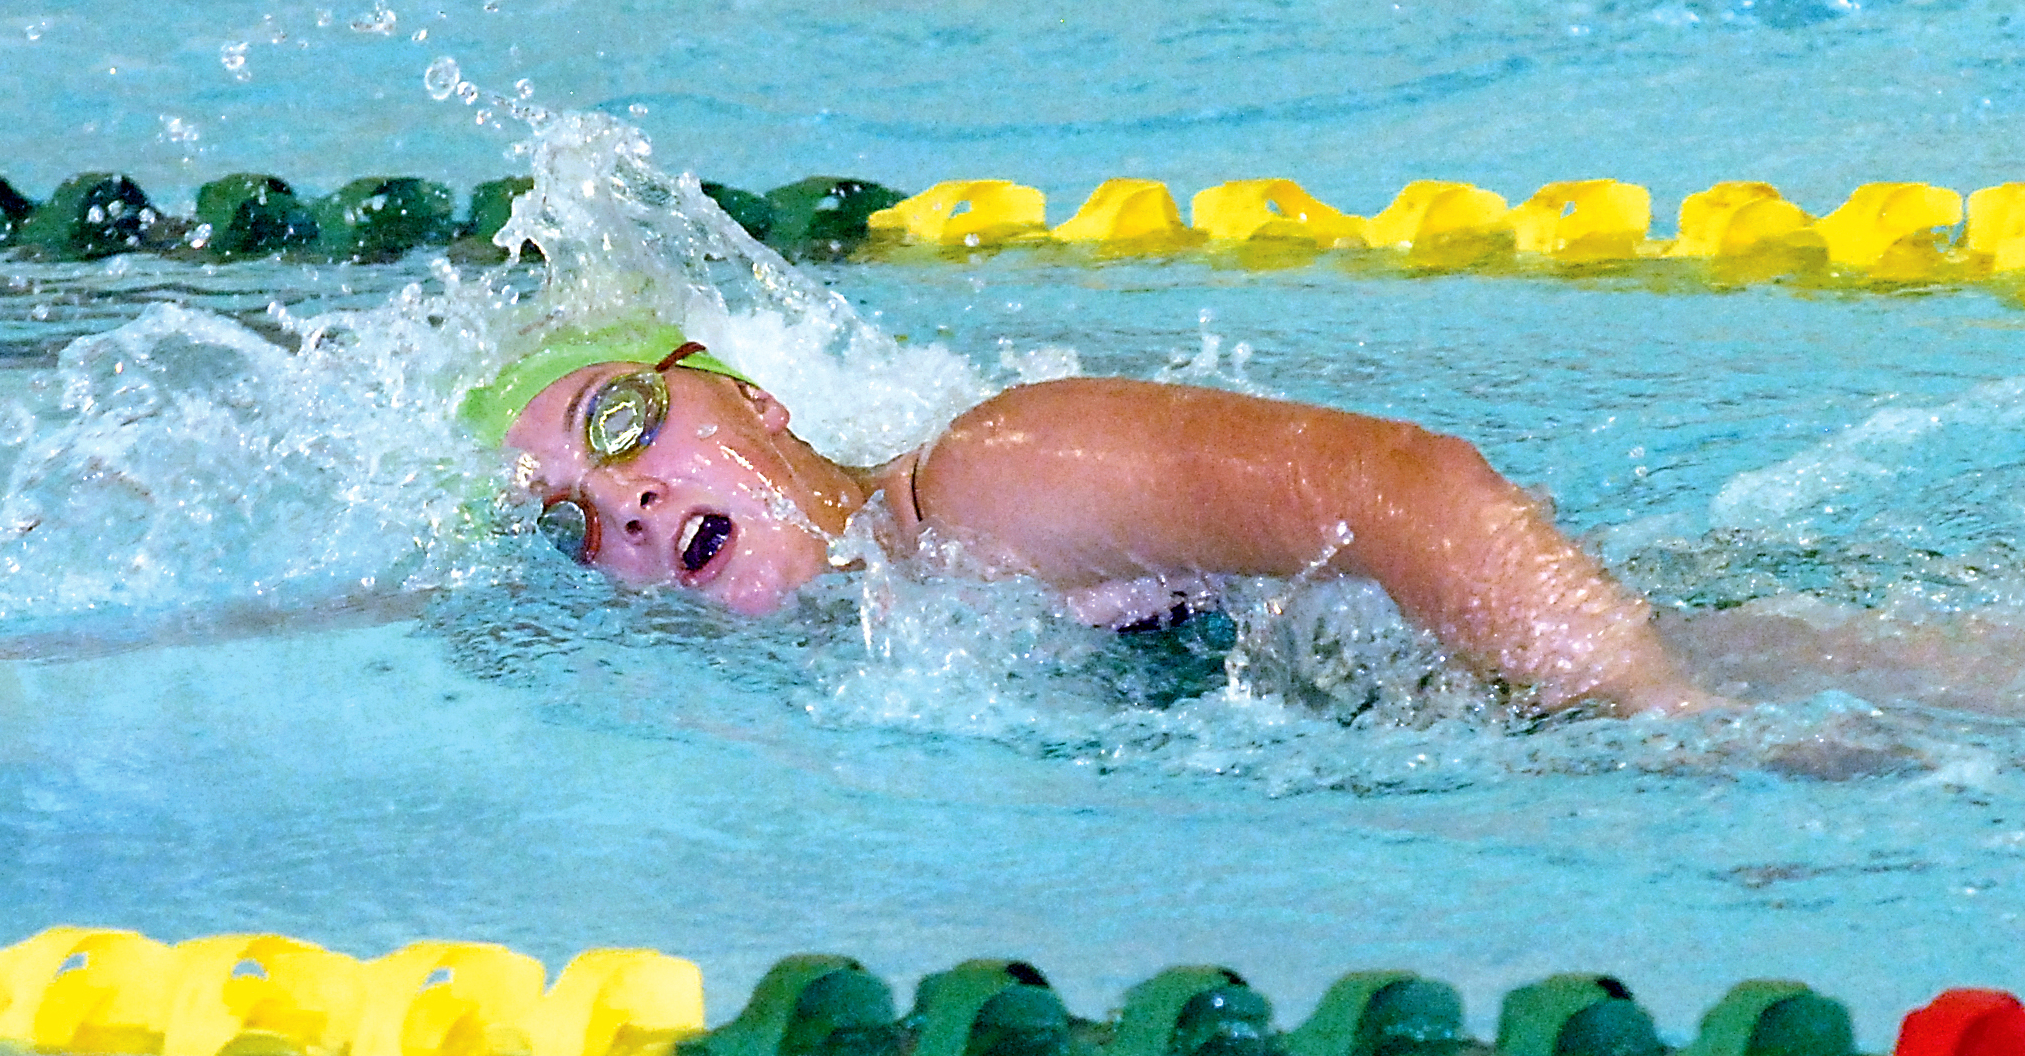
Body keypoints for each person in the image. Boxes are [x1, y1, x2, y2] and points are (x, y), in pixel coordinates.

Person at [462, 323, 1714, 717]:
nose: (620, 499)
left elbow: (1414, 489)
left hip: (1704, 695)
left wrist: (1673, 731)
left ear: (748, 395)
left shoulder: (984, 485)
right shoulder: (887, 634)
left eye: (621, 422)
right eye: (567, 524)